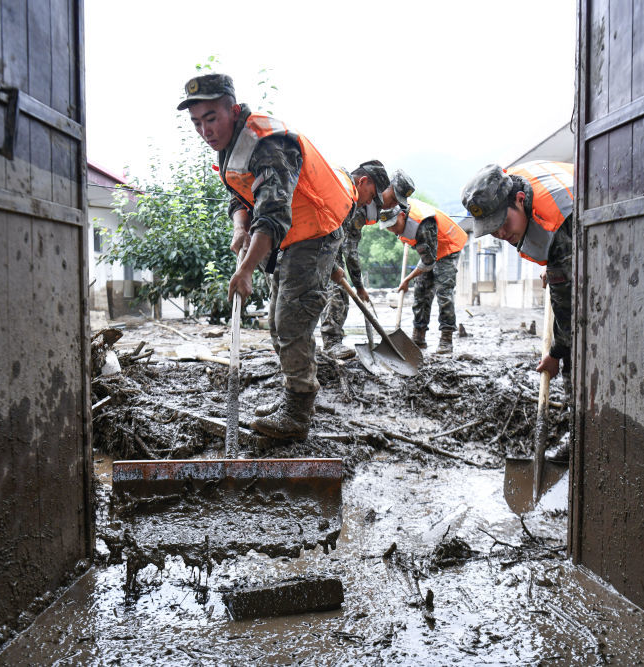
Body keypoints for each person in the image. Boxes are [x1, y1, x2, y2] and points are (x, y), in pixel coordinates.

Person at [179, 73, 375, 439]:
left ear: (233, 110)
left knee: (292, 317)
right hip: (289, 234)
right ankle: (292, 393)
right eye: (196, 122)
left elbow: (271, 216)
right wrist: (240, 228)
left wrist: (247, 269)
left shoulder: (266, 143)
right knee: (275, 317)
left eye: (211, 118)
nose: (204, 130)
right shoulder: (228, 146)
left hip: (315, 228)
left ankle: (298, 414)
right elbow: (242, 197)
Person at [460, 160, 574, 383]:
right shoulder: (504, 185)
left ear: (520, 200)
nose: (501, 233)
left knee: (576, 351)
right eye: (492, 229)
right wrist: (553, 268)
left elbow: (568, 309)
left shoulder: (558, 223)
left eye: (503, 223)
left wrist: (555, 354)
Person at [379, 171, 468, 354]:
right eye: (388, 228)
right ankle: (418, 338)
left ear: (402, 216)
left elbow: (428, 262)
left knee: (444, 292)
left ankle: (446, 339)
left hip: (448, 246)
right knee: (421, 291)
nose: (392, 231)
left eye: (394, 226)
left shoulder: (423, 223)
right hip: (430, 250)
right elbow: (425, 256)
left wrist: (406, 280)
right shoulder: (398, 210)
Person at [319, 160, 391, 360]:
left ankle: (316, 344)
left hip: (319, 244)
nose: (369, 201)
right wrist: (357, 285)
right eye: (371, 196)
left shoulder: (349, 196)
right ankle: (331, 342)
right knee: (338, 291)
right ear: (363, 182)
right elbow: (348, 250)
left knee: (324, 291)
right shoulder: (346, 197)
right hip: (304, 243)